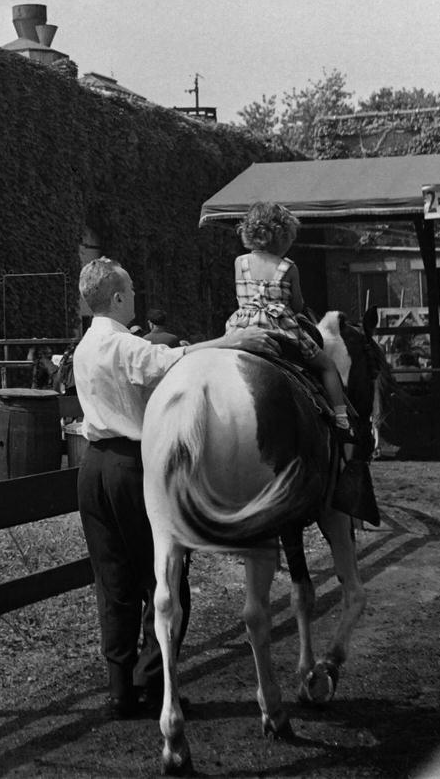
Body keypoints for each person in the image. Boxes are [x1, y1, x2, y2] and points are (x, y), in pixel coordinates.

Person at [75, 257, 271, 717]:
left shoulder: (84, 346)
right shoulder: (121, 345)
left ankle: (120, 690)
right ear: (119, 298)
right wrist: (232, 341)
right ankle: (152, 681)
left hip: (92, 467)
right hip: (131, 463)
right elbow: (174, 359)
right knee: (165, 578)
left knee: (113, 582)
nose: (136, 298)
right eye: (133, 291)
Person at [224, 202, 353, 444]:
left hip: (243, 329)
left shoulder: (239, 263)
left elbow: (241, 298)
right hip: (280, 329)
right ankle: (341, 418)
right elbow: (296, 305)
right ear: (282, 236)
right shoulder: (288, 267)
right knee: (327, 366)